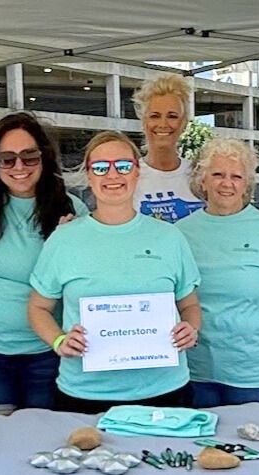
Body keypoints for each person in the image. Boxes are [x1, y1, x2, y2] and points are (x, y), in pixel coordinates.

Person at [28, 130, 201, 414]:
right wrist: (58, 340)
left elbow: (190, 304)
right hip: (84, 394)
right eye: (100, 167)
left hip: (165, 391)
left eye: (122, 166)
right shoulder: (64, 239)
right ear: (88, 175)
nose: (112, 175)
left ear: (137, 172)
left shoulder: (170, 237)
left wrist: (190, 329)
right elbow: (38, 307)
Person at [0, 112, 88, 412]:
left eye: (29, 157)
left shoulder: (71, 209)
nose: (19, 167)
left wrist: (67, 244)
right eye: (7, 159)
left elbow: (90, 277)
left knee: (44, 445)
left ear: (45, 158)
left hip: (49, 351)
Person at [177, 138, 259, 406]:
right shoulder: (179, 233)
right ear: (202, 179)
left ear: (247, 184)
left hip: (255, 372)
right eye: (218, 174)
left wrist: (253, 332)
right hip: (196, 368)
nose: (226, 183)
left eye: (236, 176)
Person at [132, 74, 205, 222]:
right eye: (154, 116)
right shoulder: (128, 176)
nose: (163, 124)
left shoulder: (199, 175)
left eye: (172, 116)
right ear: (144, 121)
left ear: (184, 123)